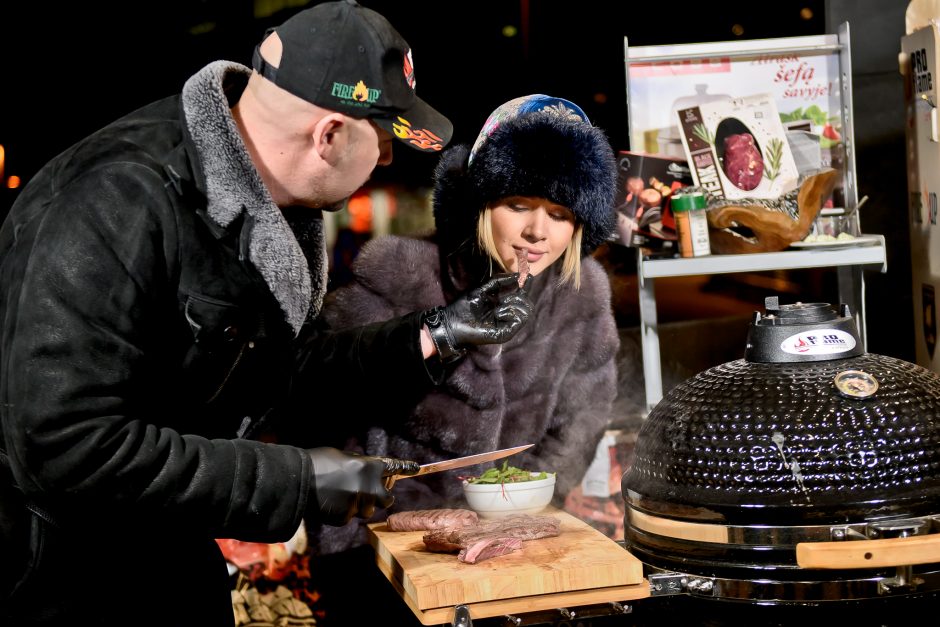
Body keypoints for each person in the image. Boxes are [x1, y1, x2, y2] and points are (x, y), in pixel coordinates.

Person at [0, 2, 533, 625]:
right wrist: (302, 481)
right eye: (385, 138)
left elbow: (275, 367)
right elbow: (67, 450)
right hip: (63, 579)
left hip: (164, 544)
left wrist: (436, 335)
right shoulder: (114, 203)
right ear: (329, 134)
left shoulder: (263, 197)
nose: (388, 159)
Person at [308, 94, 620, 620]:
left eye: (559, 213)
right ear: (478, 203)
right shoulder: (397, 274)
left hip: (508, 556)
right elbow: (321, 406)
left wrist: (516, 514)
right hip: (381, 559)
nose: (537, 232)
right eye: (518, 204)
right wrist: (352, 544)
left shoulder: (582, 294)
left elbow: (580, 424)